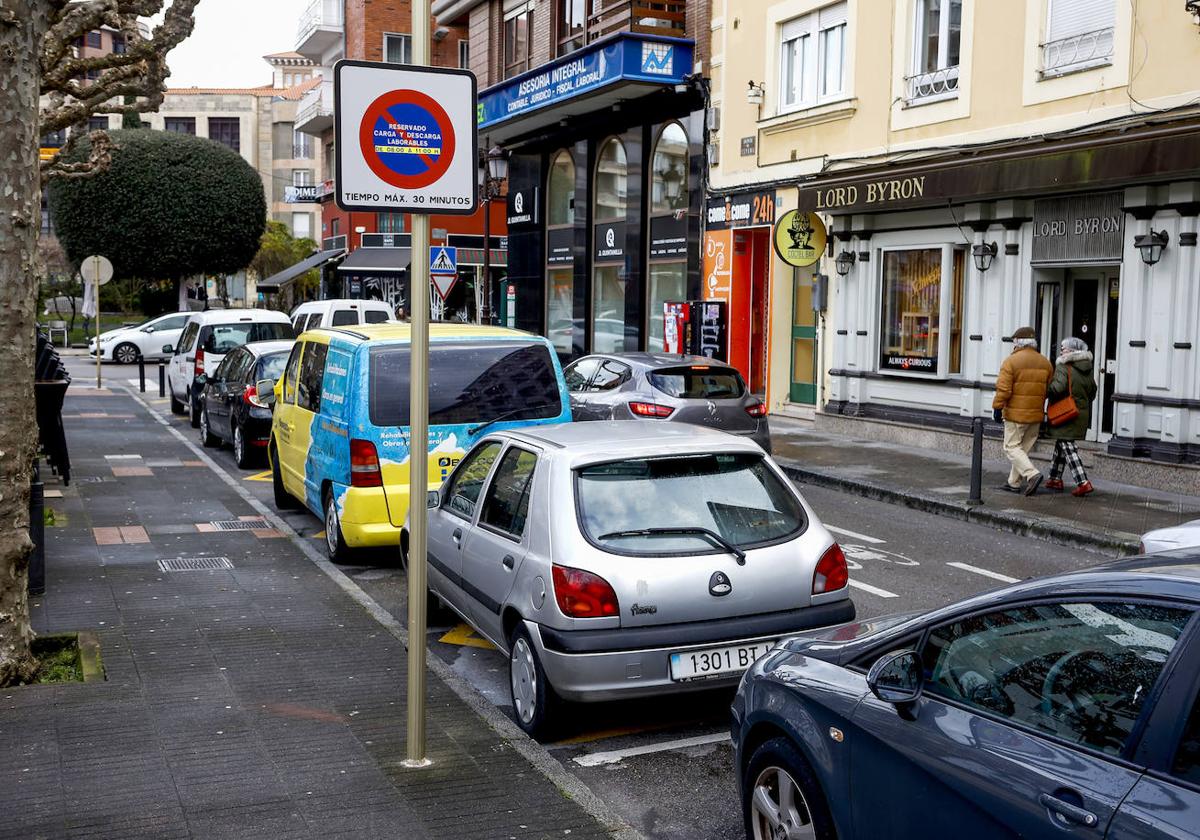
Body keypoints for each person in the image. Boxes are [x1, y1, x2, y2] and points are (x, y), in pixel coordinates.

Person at [993, 326, 1053, 496]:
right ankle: (1013, 483)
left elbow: (1003, 390)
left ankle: (1032, 474)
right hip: (1035, 414)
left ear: (1018, 342)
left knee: (1011, 447)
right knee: (1022, 450)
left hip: (1015, 414)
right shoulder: (1045, 362)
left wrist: (997, 407)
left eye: (1014, 342)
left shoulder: (1011, 361)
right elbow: (1048, 389)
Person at [1044, 336, 1098, 496]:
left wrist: (1046, 388)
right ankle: (1054, 478)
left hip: (1065, 412)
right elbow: (1092, 392)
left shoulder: (1064, 366)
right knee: (1062, 443)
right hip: (1080, 413)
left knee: (1068, 446)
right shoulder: (1086, 368)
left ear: (1072, 351)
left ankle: (1083, 482)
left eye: (1064, 348)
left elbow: (1057, 388)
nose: (1061, 350)